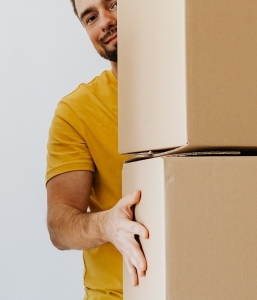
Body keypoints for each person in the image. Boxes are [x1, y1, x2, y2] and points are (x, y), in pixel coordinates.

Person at [45, 0, 148, 299]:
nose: (105, 21)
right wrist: (108, 225)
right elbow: (59, 226)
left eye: (113, 4)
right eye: (90, 17)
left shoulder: (206, 86)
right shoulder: (76, 111)